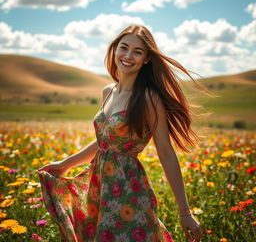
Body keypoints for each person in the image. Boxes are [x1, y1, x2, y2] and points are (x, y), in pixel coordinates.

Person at [38, 25, 203, 242]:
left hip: (128, 189)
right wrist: (66, 164)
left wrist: (185, 213)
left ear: (146, 59)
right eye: (124, 48)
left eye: (137, 51)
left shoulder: (149, 99)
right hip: (99, 188)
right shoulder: (108, 91)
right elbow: (104, 143)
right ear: (115, 50)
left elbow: (166, 153)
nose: (128, 56)